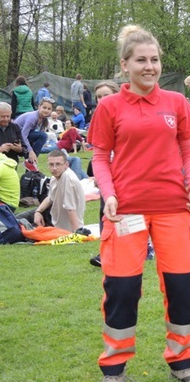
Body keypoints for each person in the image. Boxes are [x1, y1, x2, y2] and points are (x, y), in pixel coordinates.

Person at [90, 25, 190, 382]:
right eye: (141, 60)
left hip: (174, 210)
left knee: (182, 286)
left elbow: (189, 148)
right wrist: (107, 194)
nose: (149, 66)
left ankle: (182, 359)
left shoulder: (176, 103)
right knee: (122, 288)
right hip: (126, 214)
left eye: (154, 60)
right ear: (125, 66)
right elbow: (99, 158)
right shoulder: (109, 107)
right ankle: (114, 367)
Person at [86, 80, 121, 268]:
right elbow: (99, 153)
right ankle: (105, 252)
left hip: (125, 175)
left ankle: (141, 248)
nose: (101, 100)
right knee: (105, 213)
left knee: (127, 214)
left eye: (105, 95)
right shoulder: (98, 116)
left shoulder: (124, 114)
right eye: (98, 97)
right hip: (106, 173)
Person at [29, 150, 85, 232]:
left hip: (63, 226)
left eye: (58, 164)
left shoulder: (67, 178)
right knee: (16, 220)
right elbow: (49, 199)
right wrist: (38, 212)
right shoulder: (54, 178)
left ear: (66, 165)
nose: (54, 168)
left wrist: (77, 233)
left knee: (17, 221)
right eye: (51, 164)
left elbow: (70, 208)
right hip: (52, 218)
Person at [14, 98, 53, 164]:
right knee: (43, 136)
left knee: (42, 136)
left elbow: (37, 133)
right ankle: (32, 160)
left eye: (49, 109)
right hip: (16, 136)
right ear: (39, 107)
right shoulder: (33, 117)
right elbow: (23, 135)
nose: (46, 110)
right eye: (44, 107)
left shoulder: (44, 119)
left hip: (24, 135)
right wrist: (31, 151)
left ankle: (30, 165)